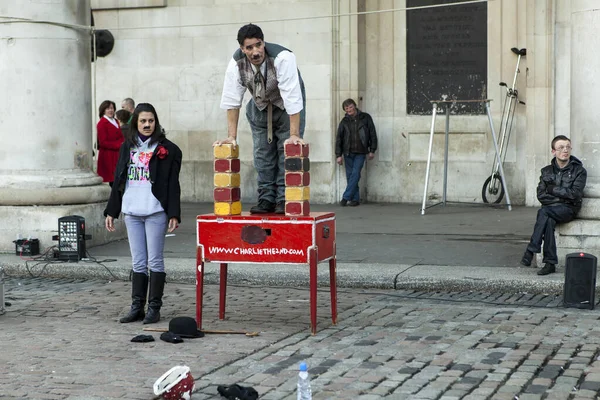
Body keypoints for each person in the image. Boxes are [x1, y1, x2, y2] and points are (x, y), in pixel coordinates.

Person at [104, 103, 182, 324]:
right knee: (138, 262)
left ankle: (154, 308)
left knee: (155, 261)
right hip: (132, 210)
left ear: (156, 122)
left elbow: (173, 184)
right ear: (135, 123)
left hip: (155, 210)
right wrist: (112, 210)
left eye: (151, 121)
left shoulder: (169, 149)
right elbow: (119, 180)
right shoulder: (127, 147)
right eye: (143, 121)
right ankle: (137, 306)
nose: (147, 125)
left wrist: (173, 213)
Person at [215, 23, 306, 214]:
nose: (255, 51)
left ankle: (283, 199)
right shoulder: (236, 63)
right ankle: (266, 198)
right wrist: (232, 136)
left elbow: (292, 96)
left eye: (258, 45)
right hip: (259, 106)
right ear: (242, 48)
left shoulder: (283, 58)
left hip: (286, 107)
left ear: (263, 42)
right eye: (249, 47)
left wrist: (294, 134)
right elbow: (232, 99)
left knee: (285, 151)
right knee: (262, 154)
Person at [520, 135, 587, 275]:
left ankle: (531, 249)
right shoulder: (546, 171)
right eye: (561, 147)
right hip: (553, 209)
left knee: (543, 212)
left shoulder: (579, 171)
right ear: (553, 151)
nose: (565, 150)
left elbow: (574, 195)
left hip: (569, 209)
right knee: (548, 220)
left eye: (568, 147)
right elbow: (541, 195)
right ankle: (550, 263)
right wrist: (561, 197)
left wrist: (553, 190)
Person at [335, 98, 378, 206]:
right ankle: (355, 199)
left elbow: (372, 133)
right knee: (350, 176)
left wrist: (372, 149)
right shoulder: (344, 121)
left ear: (354, 106)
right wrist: (338, 155)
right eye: (346, 108)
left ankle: (346, 197)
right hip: (348, 152)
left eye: (350, 107)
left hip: (361, 151)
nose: (349, 109)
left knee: (355, 173)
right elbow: (339, 138)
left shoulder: (365, 117)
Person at [96, 100, 124, 186]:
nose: (110, 110)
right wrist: (118, 145)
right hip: (108, 155)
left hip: (117, 153)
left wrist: (123, 143)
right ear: (103, 110)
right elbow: (103, 143)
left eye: (112, 108)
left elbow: (120, 135)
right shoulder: (101, 123)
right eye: (108, 108)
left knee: (118, 177)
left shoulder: (116, 121)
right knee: (113, 179)